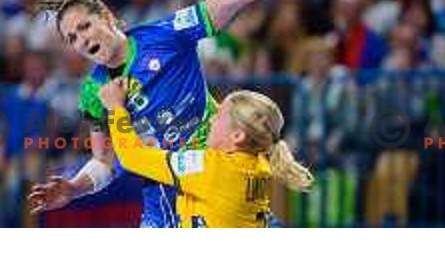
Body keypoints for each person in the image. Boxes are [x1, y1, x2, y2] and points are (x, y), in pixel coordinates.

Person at [28, 0, 326, 227]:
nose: (81, 39)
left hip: (214, 173)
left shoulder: (167, 34)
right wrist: (73, 188)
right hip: (163, 196)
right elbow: (105, 162)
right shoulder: (93, 91)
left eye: (84, 26)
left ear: (109, 18)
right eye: (71, 38)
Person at [96, 78, 313, 227]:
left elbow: (132, 157)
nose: (211, 118)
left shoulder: (211, 167)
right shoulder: (259, 160)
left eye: (219, 116)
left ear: (237, 136)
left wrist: (116, 108)